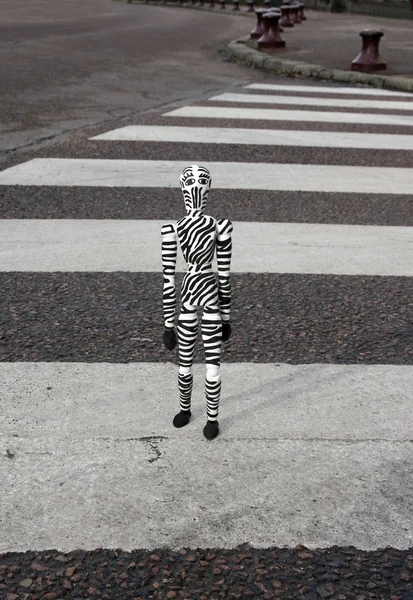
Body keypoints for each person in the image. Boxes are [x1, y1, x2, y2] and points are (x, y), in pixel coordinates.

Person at [161, 165, 233, 440]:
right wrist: (226, 317)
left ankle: (190, 411)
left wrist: (169, 324)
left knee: (189, 360)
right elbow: (224, 276)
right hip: (208, 292)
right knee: (205, 362)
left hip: (192, 291)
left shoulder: (173, 228)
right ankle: (206, 418)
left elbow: (168, 278)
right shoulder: (220, 226)